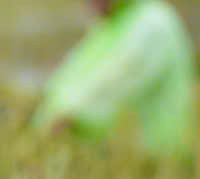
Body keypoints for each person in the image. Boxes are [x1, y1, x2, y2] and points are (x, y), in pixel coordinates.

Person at [33, 0, 196, 156]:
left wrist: (62, 118)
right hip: (109, 157)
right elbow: (69, 77)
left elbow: (113, 84)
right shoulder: (113, 23)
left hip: (154, 162)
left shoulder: (154, 23)